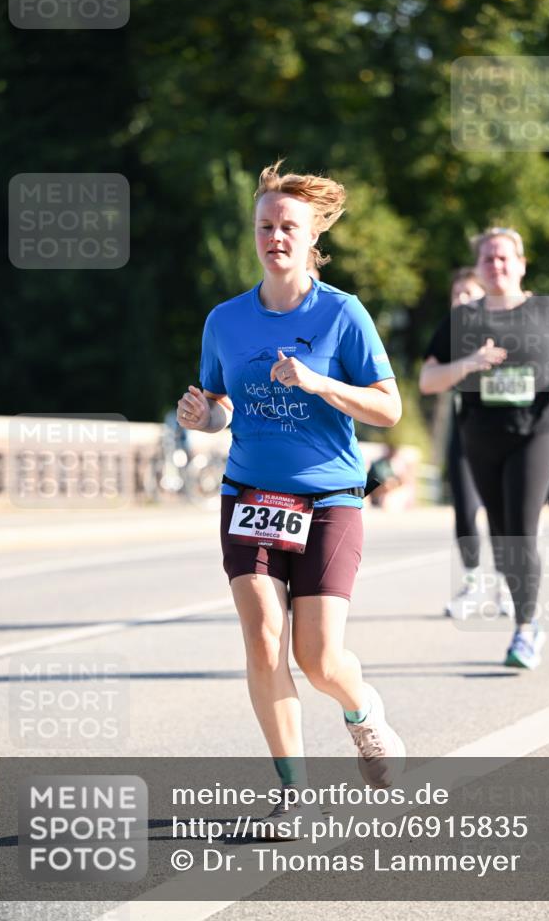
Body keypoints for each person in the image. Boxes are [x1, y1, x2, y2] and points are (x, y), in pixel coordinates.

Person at [177, 161, 405, 831]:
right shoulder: (224, 320)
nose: (274, 237)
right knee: (262, 640)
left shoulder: (342, 313)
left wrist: (318, 384)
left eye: (287, 227)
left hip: (330, 496)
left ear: (312, 239)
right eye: (265, 227)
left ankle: (363, 714)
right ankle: (291, 789)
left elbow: (387, 408)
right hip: (248, 491)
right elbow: (220, 407)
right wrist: (203, 416)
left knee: (319, 659)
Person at [420, 227, 549, 670]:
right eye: (488, 259)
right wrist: (468, 365)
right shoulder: (463, 319)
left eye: (504, 258)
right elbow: (428, 380)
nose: (497, 266)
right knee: (500, 531)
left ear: (521, 263)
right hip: (481, 433)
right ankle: (525, 613)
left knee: (520, 525)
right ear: (478, 267)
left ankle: (527, 628)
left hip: (539, 428)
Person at [435, 268, 512, 619]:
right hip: (464, 430)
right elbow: (431, 378)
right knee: (464, 509)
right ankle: (471, 583)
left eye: (469, 294)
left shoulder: (503, 329)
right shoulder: (448, 335)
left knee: (499, 513)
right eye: (456, 295)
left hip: (501, 433)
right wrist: (466, 363)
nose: (462, 301)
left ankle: (504, 585)